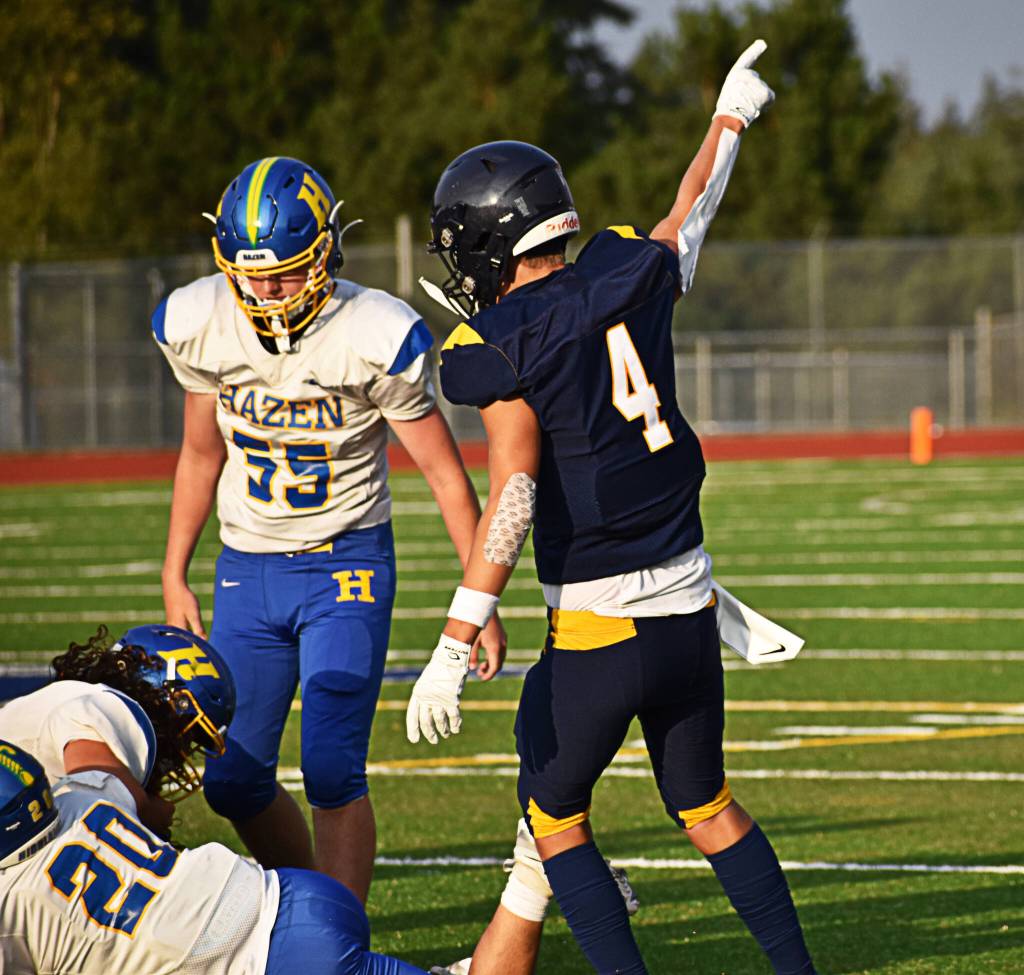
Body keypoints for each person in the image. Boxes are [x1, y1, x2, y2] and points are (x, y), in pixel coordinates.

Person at [409, 41, 817, 975]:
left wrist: (454, 639)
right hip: (690, 612)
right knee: (706, 805)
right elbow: (690, 209)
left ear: (486, 243)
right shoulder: (628, 268)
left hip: (600, 626)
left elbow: (515, 492)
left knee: (554, 818)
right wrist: (729, 119)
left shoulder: (499, 341)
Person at [153, 156, 506, 902]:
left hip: (346, 562)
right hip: (248, 565)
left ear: (323, 255)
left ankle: (339, 936)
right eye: (250, 277)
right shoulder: (200, 322)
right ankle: (308, 901)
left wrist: (481, 602)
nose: (265, 294)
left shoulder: (372, 332)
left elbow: (446, 475)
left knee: (332, 766)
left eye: (284, 275)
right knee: (232, 776)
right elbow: (200, 452)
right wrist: (174, 569)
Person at [0, 738, 427, 974]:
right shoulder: (78, 796)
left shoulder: (11, 904)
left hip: (273, 959)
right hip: (292, 890)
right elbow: (139, 798)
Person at [0, 623, 235, 839]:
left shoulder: (77, 694)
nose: (181, 755)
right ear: (164, 697)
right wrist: (144, 811)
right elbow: (96, 799)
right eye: (186, 735)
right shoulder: (108, 707)